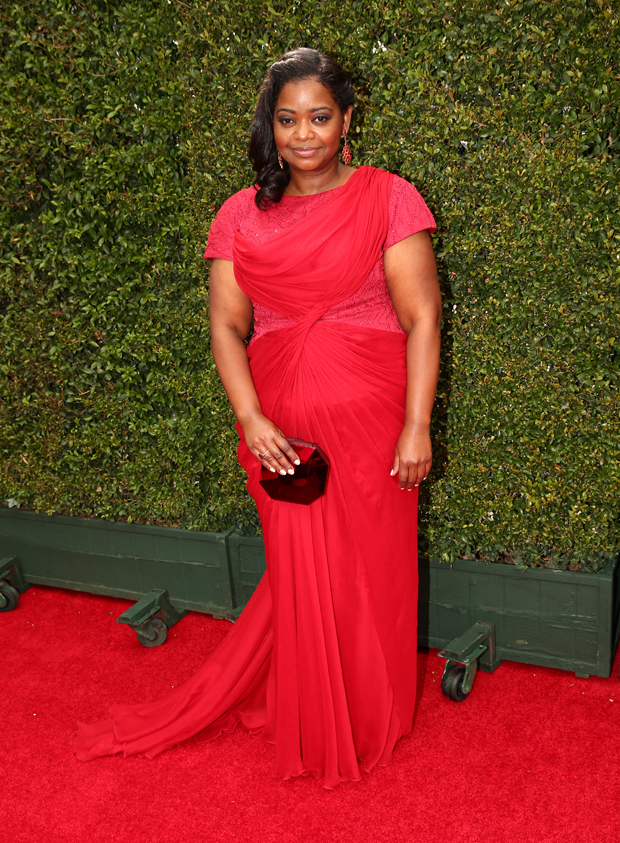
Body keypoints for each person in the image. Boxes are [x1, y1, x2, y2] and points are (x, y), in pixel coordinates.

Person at [73, 48, 441, 789]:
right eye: (287, 119)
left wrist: (417, 424)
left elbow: (422, 317)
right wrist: (249, 418)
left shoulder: (389, 197)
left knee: (375, 567)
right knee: (302, 569)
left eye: (320, 117)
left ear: (347, 120)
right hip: (280, 430)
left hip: (374, 422)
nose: (304, 135)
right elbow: (226, 325)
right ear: (269, 126)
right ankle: (313, 711)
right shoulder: (239, 214)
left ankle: (371, 709)